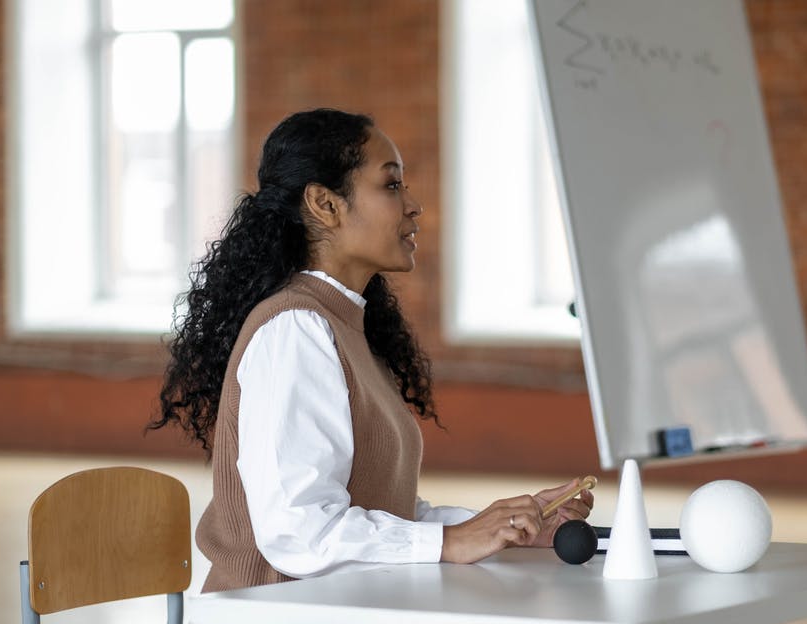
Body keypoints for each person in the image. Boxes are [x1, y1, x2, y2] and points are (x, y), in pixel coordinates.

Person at [151, 108, 593, 592]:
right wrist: (450, 541)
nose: (412, 206)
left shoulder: (344, 324)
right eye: (390, 185)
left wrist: (506, 527)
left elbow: (382, 514)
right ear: (325, 203)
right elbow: (299, 532)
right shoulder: (296, 328)